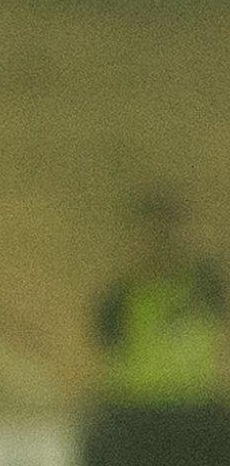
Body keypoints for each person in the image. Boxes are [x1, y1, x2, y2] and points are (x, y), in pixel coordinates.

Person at [79, 189, 230, 466]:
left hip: (194, 415)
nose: (160, 245)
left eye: (167, 235)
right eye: (150, 236)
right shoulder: (120, 297)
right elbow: (106, 354)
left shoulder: (204, 286)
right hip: (133, 417)